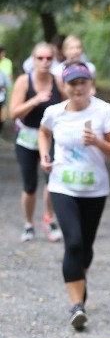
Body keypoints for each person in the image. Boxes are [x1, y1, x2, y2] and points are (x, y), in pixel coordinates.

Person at [38, 62, 110, 330]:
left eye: (82, 82)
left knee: (85, 248)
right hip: (63, 187)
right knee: (72, 242)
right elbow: (43, 131)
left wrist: (97, 141)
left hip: (95, 189)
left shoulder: (103, 110)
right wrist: (44, 155)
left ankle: (78, 285)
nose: (78, 88)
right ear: (65, 86)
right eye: (72, 83)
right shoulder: (54, 112)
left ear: (90, 84)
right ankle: (77, 306)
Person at [9, 42, 65, 242]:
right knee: (30, 185)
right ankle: (28, 223)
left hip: (50, 137)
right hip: (26, 137)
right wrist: (35, 100)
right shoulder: (25, 81)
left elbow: (69, 106)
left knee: (51, 180)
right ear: (33, 60)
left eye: (49, 58)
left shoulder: (58, 81)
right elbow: (13, 113)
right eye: (40, 58)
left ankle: (49, 219)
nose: (44, 62)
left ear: (53, 60)